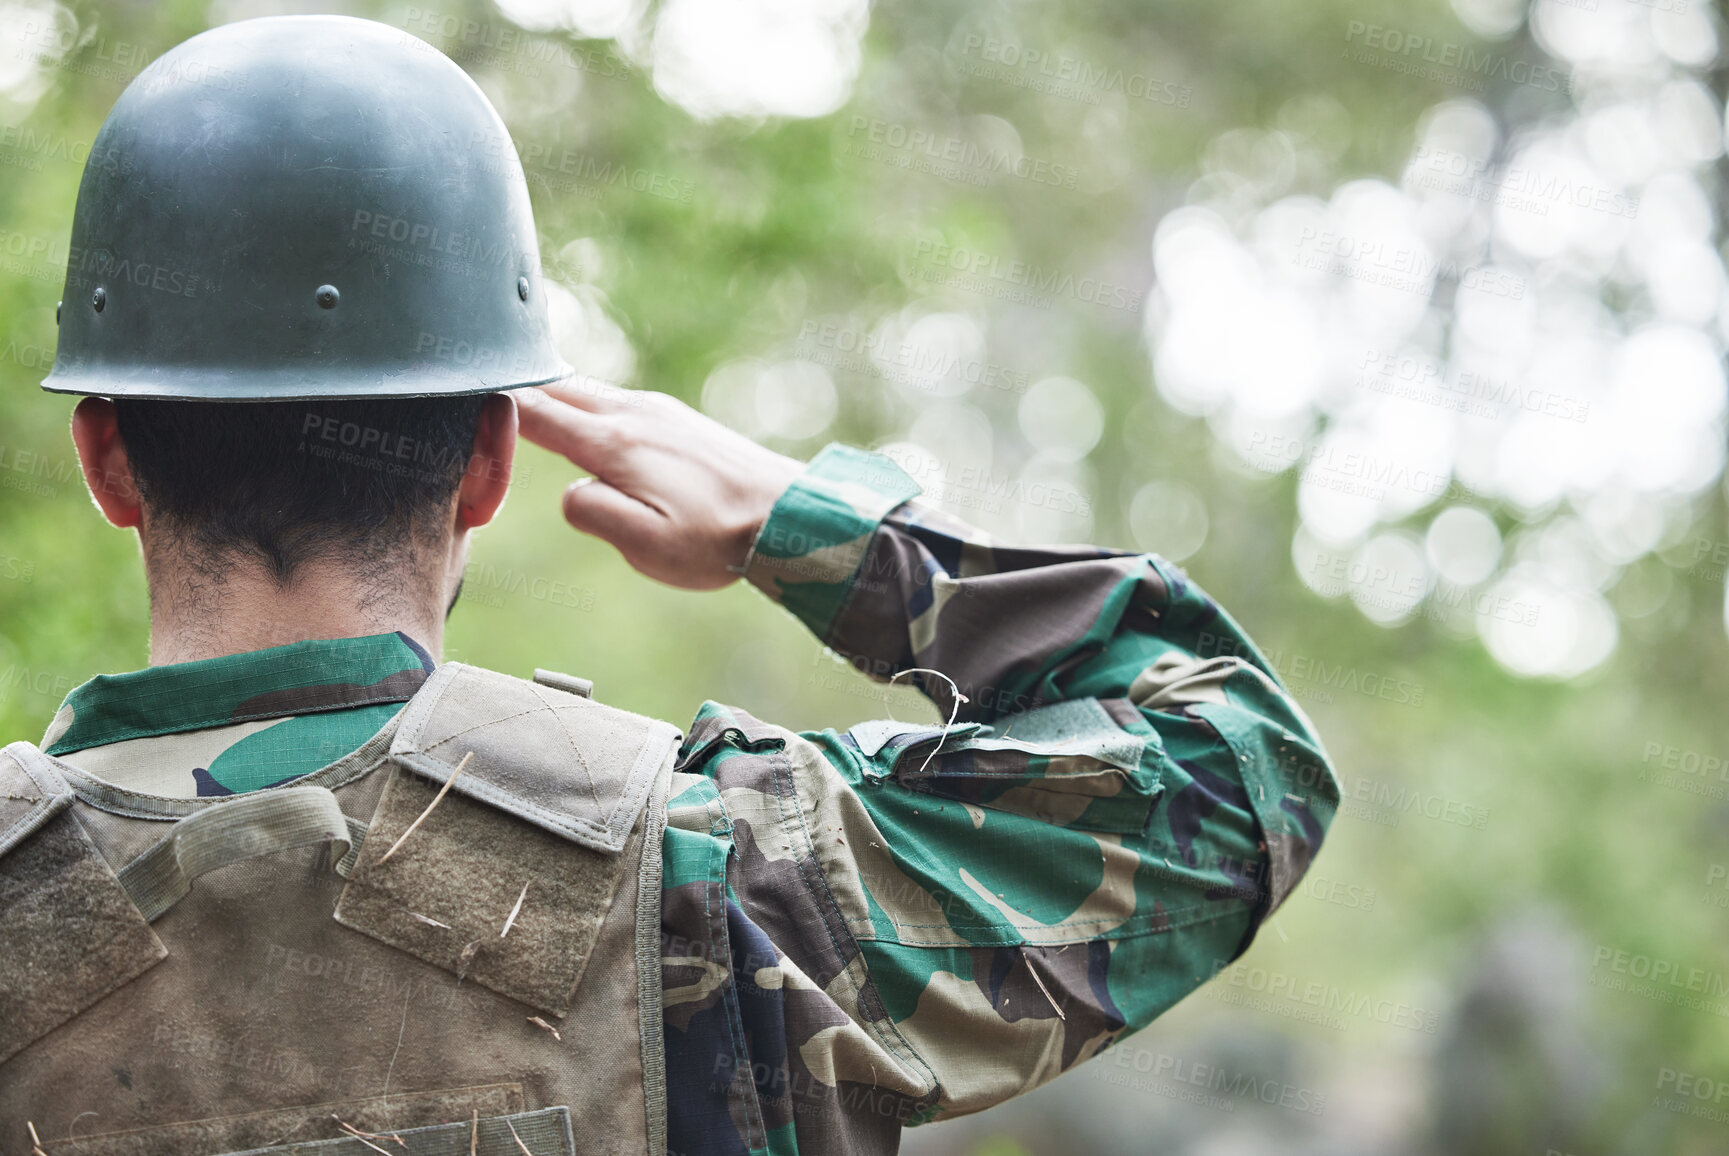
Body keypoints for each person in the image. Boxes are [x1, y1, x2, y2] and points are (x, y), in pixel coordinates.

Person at [0, 14, 1341, 1156]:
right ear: (488, 461)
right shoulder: (726, 879)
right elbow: (1235, 770)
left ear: (106, 457)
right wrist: (810, 527)